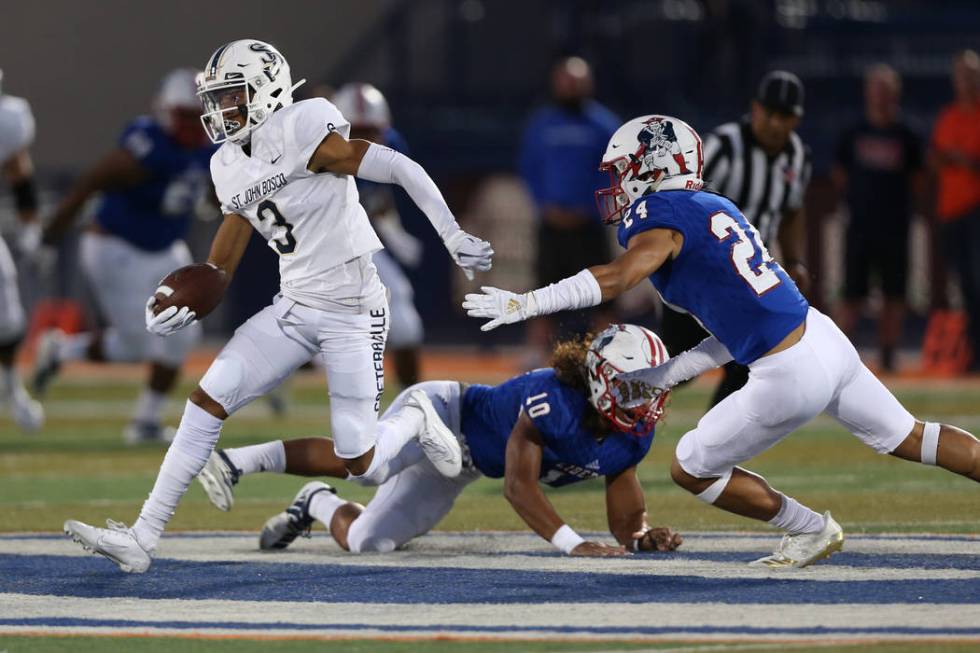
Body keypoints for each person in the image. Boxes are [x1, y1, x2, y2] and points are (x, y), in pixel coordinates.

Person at [464, 114, 980, 568]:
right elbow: (736, 326)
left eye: (624, 169)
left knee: (691, 467)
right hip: (822, 337)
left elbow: (618, 279)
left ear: (653, 166)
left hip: (788, 370)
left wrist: (525, 303)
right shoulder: (714, 205)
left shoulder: (659, 215)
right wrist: (669, 374)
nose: (619, 183)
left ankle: (809, 529)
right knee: (913, 437)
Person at [64, 39, 493, 573]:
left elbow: (398, 167)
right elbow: (223, 260)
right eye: (215, 99)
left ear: (266, 91)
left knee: (362, 463)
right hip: (293, 306)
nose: (219, 111)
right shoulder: (226, 162)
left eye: (231, 97)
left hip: (353, 308)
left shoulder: (303, 126)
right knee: (206, 400)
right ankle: (142, 537)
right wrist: (178, 300)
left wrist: (451, 234)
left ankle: (414, 420)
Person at [197, 325, 682, 557]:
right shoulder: (552, 398)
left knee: (370, 542)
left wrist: (640, 537)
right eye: (631, 385)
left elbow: (623, 506)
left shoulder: (633, 433)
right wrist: (573, 545)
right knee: (370, 468)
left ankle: (316, 503)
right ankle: (241, 459)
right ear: (598, 378)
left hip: (461, 464)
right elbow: (519, 486)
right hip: (444, 415)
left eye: (650, 386)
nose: (643, 399)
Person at [33, 69, 215, 443]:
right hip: (116, 247)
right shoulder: (147, 145)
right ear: (165, 112)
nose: (193, 127)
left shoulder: (210, 147)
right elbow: (90, 183)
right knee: (137, 346)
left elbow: (214, 189)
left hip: (166, 248)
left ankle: (145, 420)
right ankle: (62, 351)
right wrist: (51, 237)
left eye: (199, 116)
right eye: (185, 117)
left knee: (184, 334)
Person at [660, 70, 812, 405]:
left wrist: (796, 259)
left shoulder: (797, 156)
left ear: (796, 120)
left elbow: (791, 211)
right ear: (755, 108)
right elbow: (681, 201)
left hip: (746, 283)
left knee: (751, 366)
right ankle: (606, 404)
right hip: (699, 278)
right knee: (675, 368)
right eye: (769, 113)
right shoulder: (722, 147)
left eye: (784, 116)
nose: (775, 123)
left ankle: (712, 451)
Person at [518, 56, 620, 363]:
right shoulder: (541, 124)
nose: (571, 87)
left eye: (577, 82)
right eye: (566, 81)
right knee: (544, 292)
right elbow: (529, 167)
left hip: (588, 225)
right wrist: (544, 205)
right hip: (551, 224)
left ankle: (611, 353)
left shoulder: (603, 124)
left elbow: (613, 172)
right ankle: (537, 352)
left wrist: (589, 208)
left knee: (604, 291)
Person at [332, 82, 425, 387]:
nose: (364, 141)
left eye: (371, 132)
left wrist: (392, 230)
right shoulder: (314, 152)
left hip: (361, 243)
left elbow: (380, 196)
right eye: (355, 131)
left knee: (405, 322)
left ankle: (412, 401)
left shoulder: (392, 144)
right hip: (318, 247)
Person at [833, 64, 923, 372]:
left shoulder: (906, 134)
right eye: (876, 90)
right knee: (852, 294)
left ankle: (888, 357)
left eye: (886, 90)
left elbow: (918, 178)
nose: (881, 97)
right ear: (867, 94)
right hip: (859, 226)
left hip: (895, 226)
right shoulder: (853, 132)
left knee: (894, 294)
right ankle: (841, 359)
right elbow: (839, 174)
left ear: (895, 94)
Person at [931, 49, 980, 372]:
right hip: (952, 212)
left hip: (977, 210)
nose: (965, 81)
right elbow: (935, 158)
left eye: (971, 75)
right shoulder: (948, 116)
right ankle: (973, 354)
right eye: (961, 75)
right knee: (964, 286)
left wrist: (964, 160)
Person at [0, 68, 43, 432]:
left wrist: (31, 227)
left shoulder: (8, 119)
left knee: (7, 315)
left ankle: (10, 387)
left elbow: (18, 172)